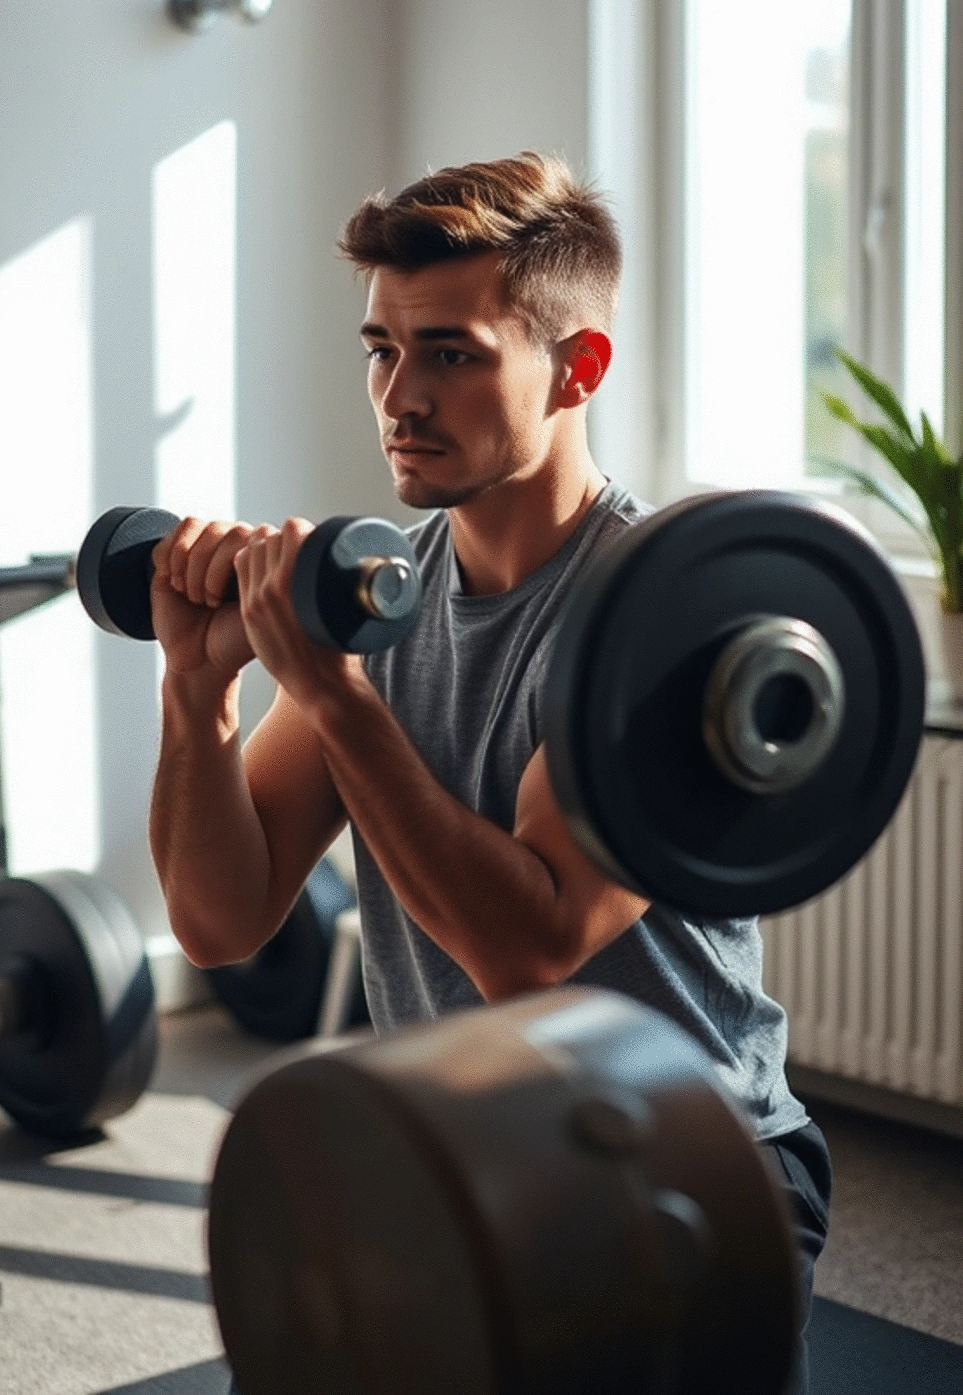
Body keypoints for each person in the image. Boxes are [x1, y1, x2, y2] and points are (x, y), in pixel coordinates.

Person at [148, 150, 830, 1394]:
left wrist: (335, 697)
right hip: (473, 1144)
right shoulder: (374, 596)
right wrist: (198, 696)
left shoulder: (660, 620)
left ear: (577, 368)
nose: (399, 396)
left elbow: (529, 947)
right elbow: (217, 919)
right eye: (382, 349)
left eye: (451, 353)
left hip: (683, 1162)